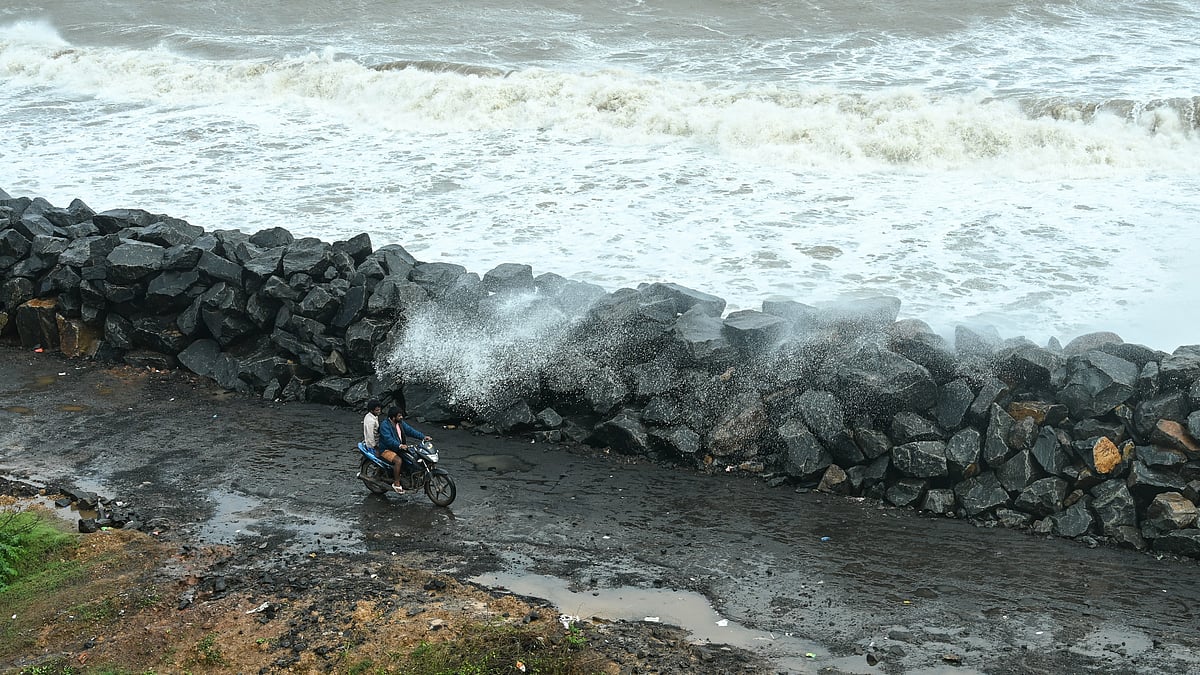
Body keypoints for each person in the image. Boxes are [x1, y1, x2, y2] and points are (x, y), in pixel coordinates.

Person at [377, 406, 433, 493]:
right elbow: (388, 440)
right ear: (393, 417)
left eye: (401, 415)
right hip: (386, 450)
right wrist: (399, 445)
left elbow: (410, 431)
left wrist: (423, 437)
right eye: (399, 416)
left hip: (398, 448)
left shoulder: (400, 423)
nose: (401, 417)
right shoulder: (385, 425)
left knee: (413, 458)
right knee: (398, 461)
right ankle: (396, 482)